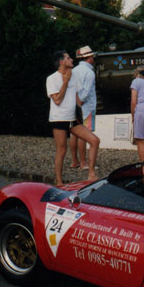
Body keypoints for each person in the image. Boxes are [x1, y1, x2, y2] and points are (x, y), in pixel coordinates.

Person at [46, 50, 100, 186]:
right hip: (58, 119)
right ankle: (59, 181)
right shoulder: (51, 79)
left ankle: (91, 174)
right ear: (62, 62)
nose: (72, 60)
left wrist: (80, 112)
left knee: (94, 140)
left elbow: (77, 97)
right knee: (62, 150)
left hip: (72, 119)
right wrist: (65, 82)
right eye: (69, 58)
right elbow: (57, 100)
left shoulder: (74, 76)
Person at [69, 45, 98, 170]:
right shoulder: (89, 72)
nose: (93, 58)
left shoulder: (74, 70)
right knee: (84, 134)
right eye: (92, 56)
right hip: (86, 106)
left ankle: (74, 161)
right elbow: (86, 92)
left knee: (74, 134)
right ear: (89, 57)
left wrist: (75, 104)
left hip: (73, 105)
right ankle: (83, 163)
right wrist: (80, 103)